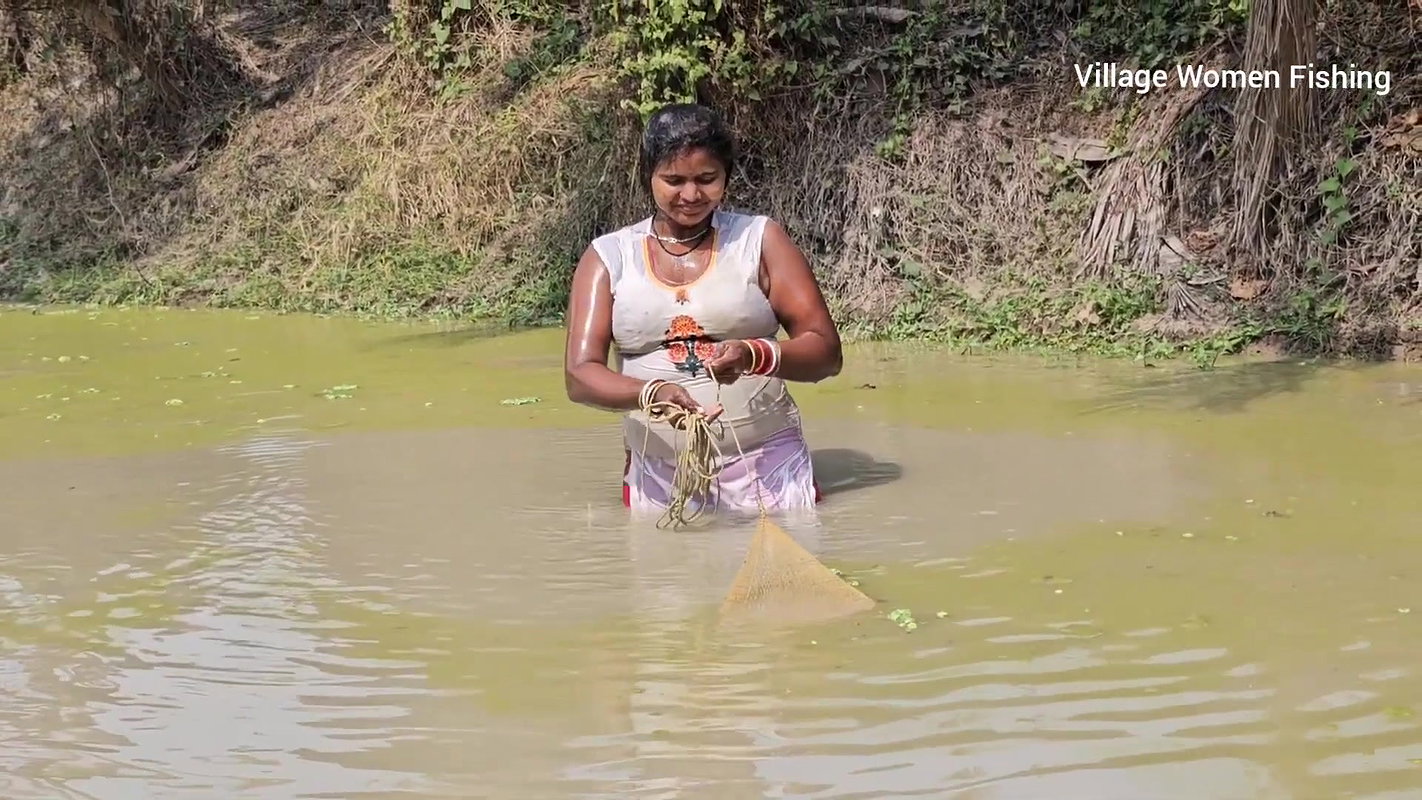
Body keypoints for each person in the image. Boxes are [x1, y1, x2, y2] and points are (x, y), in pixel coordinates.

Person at [563, 102, 843, 516]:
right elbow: (580, 375)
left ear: (726, 177)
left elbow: (826, 354)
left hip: (769, 469)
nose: (691, 195)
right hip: (660, 476)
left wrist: (755, 355)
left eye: (707, 179)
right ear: (647, 177)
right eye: (673, 180)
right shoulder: (609, 257)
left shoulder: (760, 240)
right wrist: (651, 393)